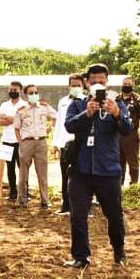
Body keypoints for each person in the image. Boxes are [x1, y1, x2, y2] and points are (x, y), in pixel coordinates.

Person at [62, 63, 133, 269]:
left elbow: (128, 129)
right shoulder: (78, 104)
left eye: (101, 81)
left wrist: (117, 113)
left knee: (114, 214)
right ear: (86, 83)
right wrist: (87, 114)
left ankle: (119, 252)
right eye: (93, 82)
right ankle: (81, 256)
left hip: (108, 169)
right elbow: (69, 125)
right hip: (81, 169)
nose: (97, 85)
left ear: (107, 82)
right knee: (78, 215)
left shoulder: (117, 103)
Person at [13, 85, 58, 208]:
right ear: (26, 95)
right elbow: (16, 128)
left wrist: (49, 129)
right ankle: (21, 199)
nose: (34, 95)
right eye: (31, 93)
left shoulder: (44, 107)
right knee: (23, 173)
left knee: (42, 173)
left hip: (41, 143)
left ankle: (45, 200)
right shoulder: (21, 110)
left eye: (36, 92)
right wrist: (20, 141)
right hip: (26, 142)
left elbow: (56, 116)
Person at [53, 74, 84, 215]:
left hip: (81, 144)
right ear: (68, 86)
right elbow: (59, 123)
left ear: (83, 86)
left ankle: (84, 208)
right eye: (73, 85)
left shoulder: (87, 101)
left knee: (83, 177)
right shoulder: (63, 102)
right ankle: (66, 206)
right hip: (65, 145)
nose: (76, 87)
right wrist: (55, 143)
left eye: (78, 85)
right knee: (65, 176)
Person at [0, 81, 27, 200]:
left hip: (21, 140)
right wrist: (16, 119)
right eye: (11, 89)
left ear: (20, 90)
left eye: (15, 90)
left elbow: (25, 121)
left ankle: (24, 192)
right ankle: (13, 192)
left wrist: (8, 118)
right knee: (10, 168)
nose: (12, 92)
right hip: (7, 140)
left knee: (22, 168)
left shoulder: (25, 104)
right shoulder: (4, 105)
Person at [117, 75, 140, 186]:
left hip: (131, 135)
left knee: (133, 162)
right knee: (118, 162)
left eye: (129, 84)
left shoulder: (138, 99)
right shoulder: (117, 98)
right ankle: (118, 186)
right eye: (125, 84)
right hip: (118, 135)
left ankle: (134, 185)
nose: (127, 86)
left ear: (133, 85)